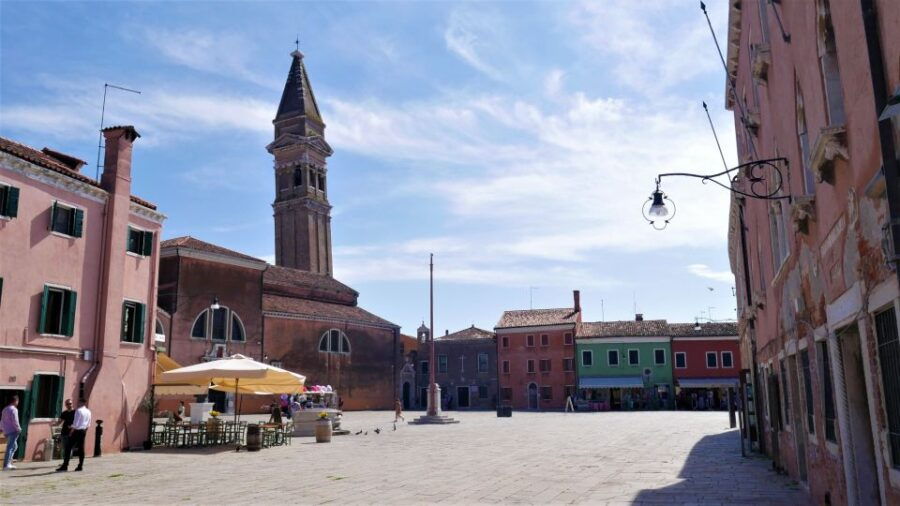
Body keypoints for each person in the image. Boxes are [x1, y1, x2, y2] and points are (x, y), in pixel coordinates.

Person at [57, 399, 90, 472]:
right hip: (83, 431)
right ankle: (80, 466)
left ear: (80, 403)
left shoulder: (78, 411)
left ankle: (65, 465)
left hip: (76, 431)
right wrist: (84, 431)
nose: (77, 404)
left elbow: (75, 424)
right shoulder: (88, 411)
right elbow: (88, 424)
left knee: (68, 448)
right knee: (81, 448)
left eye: (78, 402)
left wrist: (71, 431)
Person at [2, 395, 21, 470]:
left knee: (14, 446)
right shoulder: (14, 409)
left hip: (6, 431)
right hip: (13, 431)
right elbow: (15, 421)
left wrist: (3, 429)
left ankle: (9, 462)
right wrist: (18, 429)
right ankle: (6, 464)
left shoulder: (5, 409)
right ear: (15, 401)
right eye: (17, 401)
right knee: (10, 447)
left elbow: (2, 420)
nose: (18, 402)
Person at [53, 399, 75, 463]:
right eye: (67, 404)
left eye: (70, 404)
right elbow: (60, 421)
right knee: (64, 447)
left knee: (69, 447)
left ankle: (67, 461)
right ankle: (66, 461)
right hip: (64, 432)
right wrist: (55, 424)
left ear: (72, 404)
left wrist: (72, 426)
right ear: (65, 405)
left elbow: (78, 422)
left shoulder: (75, 412)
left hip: (72, 432)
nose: (69, 405)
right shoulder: (64, 413)